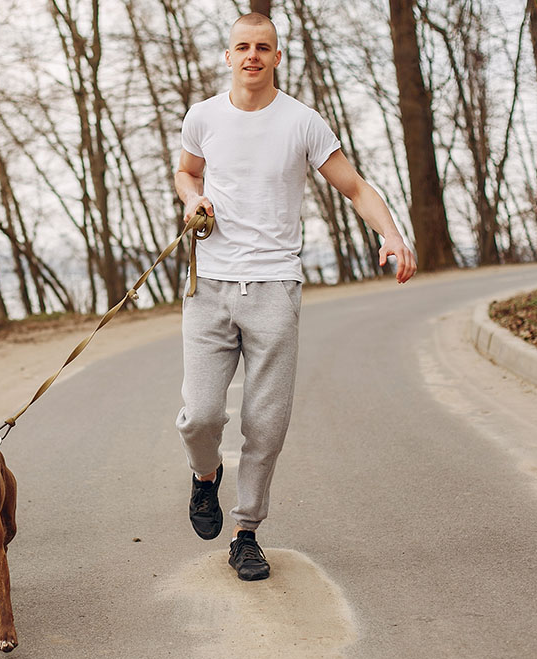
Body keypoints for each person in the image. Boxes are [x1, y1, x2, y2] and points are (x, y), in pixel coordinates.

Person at [174, 13, 417, 581]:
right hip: (208, 284)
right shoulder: (202, 116)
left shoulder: (302, 122)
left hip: (275, 286)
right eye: (242, 47)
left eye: (263, 47)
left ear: (277, 56)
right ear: (228, 56)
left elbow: (354, 186)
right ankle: (204, 476)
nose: (252, 56)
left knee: (266, 423)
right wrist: (193, 199)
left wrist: (393, 234)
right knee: (200, 416)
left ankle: (246, 532)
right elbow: (187, 172)